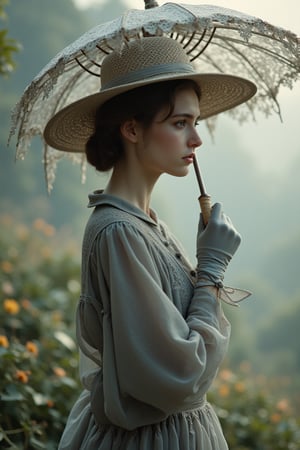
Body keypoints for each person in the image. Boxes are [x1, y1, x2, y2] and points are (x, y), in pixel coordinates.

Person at [44, 36, 256, 450]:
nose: (196, 139)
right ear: (132, 129)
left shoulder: (147, 225)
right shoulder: (118, 232)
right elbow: (179, 375)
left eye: (195, 122)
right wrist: (210, 269)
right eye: (180, 123)